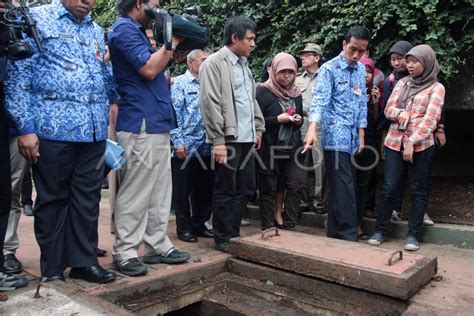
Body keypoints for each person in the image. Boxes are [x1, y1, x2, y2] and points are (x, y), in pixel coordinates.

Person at [4, 0, 117, 283]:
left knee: (87, 200)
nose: (86, 1)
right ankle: (52, 267)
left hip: (92, 130)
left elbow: (102, 76)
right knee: (53, 200)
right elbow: (18, 78)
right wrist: (25, 128)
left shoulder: (95, 28)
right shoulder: (36, 20)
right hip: (52, 128)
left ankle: (83, 262)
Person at [108, 0, 190, 277]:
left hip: (156, 120)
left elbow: (157, 67)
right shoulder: (123, 30)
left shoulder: (140, 33)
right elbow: (149, 69)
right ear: (139, 3)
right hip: (139, 122)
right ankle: (126, 250)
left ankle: (157, 245)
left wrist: (171, 50)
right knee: (136, 190)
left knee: (159, 190)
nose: (158, 11)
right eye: (155, 4)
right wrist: (172, 41)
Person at [368, 44, 445, 251]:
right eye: (408, 61)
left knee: (419, 189)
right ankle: (380, 230)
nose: (410, 65)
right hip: (394, 142)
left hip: (421, 145)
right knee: (390, 187)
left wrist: (412, 140)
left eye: (414, 61)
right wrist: (401, 113)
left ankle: (413, 235)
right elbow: (388, 109)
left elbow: (431, 119)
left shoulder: (436, 88)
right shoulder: (402, 83)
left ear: (427, 62)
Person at [199, 15, 265, 253]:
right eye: (250, 39)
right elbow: (210, 102)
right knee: (226, 188)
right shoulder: (214, 63)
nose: (253, 43)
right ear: (235, 37)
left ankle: (233, 232)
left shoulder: (244, 66)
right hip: (228, 139)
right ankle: (222, 236)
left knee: (246, 188)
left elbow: (250, 100)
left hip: (247, 138)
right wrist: (218, 141)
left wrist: (258, 128)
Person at [304, 26, 369, 242]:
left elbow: (361, 103)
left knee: (340, 184)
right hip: (335, 135)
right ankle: (349, 234)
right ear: (344, 44)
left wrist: (361, 134)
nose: (356, 55)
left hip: (352, 137)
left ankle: (333, 231)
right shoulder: (329, 69)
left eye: (361, 51)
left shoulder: (360, 70)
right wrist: (312, 129)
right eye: (352, 49)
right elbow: (319, 101)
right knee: (345, 184)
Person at [170, 48, 215, 243]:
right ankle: (184, 228)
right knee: (183, 190)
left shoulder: (212, 83)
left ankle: (199, 224)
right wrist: (178, 141)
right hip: (186, 146)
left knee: (204, 189)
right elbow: (174, 114)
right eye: (204, 60)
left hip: (208, 145)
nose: (207, 63)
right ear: (191, 62)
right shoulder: (179, 83)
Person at [256, 52, 304, 230]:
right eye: (282, 72)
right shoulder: (262, 91)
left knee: (296, 183)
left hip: (293, 146)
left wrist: (298, 119)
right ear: (273, 71)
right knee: (268, 186)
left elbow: (299, 120)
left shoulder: (296, 93)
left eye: (291, 72)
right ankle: (267, 225)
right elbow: (256, 121)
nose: (286, 76)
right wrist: (278, 119)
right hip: (269, 146)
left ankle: (290, 225)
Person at [296, 43, 328, 215]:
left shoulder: (325, 76)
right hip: (301, 123)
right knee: (302, 162)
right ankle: (303, 200)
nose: (303, 57)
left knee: (319, 163)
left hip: (319, 124)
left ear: (316, 58)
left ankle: (319, 202)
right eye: (302, 55)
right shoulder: (297, 79)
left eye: (307, 55)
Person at [355, 57, 382, 240]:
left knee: (364, 182)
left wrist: (375, 103)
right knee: (349, 182)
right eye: (362, 70)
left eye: (369, 71)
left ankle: (358, 222)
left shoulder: (376, 91)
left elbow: (378, 120)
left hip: (370, 140)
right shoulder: (350, 90)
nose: (366, 74)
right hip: (351, 140)